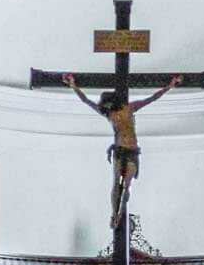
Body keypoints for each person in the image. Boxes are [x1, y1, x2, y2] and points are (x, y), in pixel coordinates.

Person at [63, 72, 183, 227]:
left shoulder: (129, 108)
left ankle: (119, 214)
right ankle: (114, 214)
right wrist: (73, 85)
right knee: (116, 183)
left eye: (105, 103)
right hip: (120, 150)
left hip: (132, 150)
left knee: (126, 184)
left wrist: (170, 85)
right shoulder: (110, 113)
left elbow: (153, 98)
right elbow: (86, 101)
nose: (104, 106)